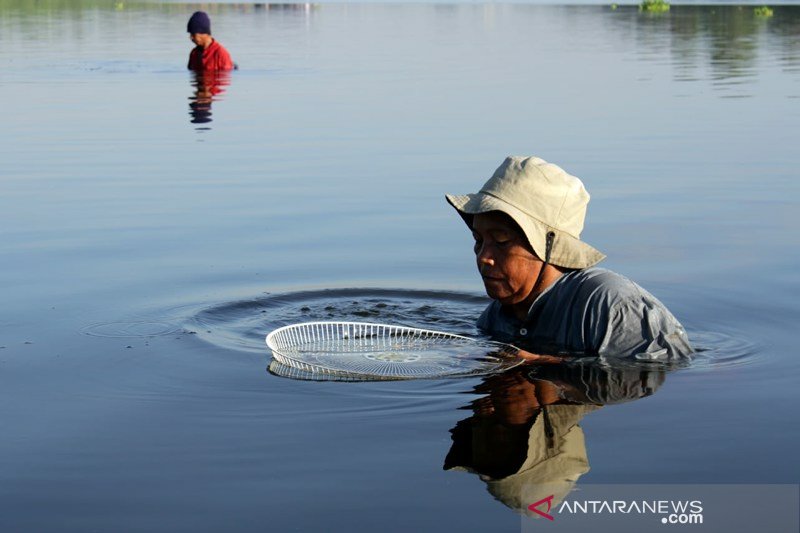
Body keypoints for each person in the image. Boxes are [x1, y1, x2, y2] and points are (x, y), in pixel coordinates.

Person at [445, 155, 693, 363]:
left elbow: (670, 368)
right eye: (478, 241)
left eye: (501, 242)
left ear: (548, 247)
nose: (484, 257)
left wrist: (549, 363)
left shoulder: (609, 304)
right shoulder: (494, 318)